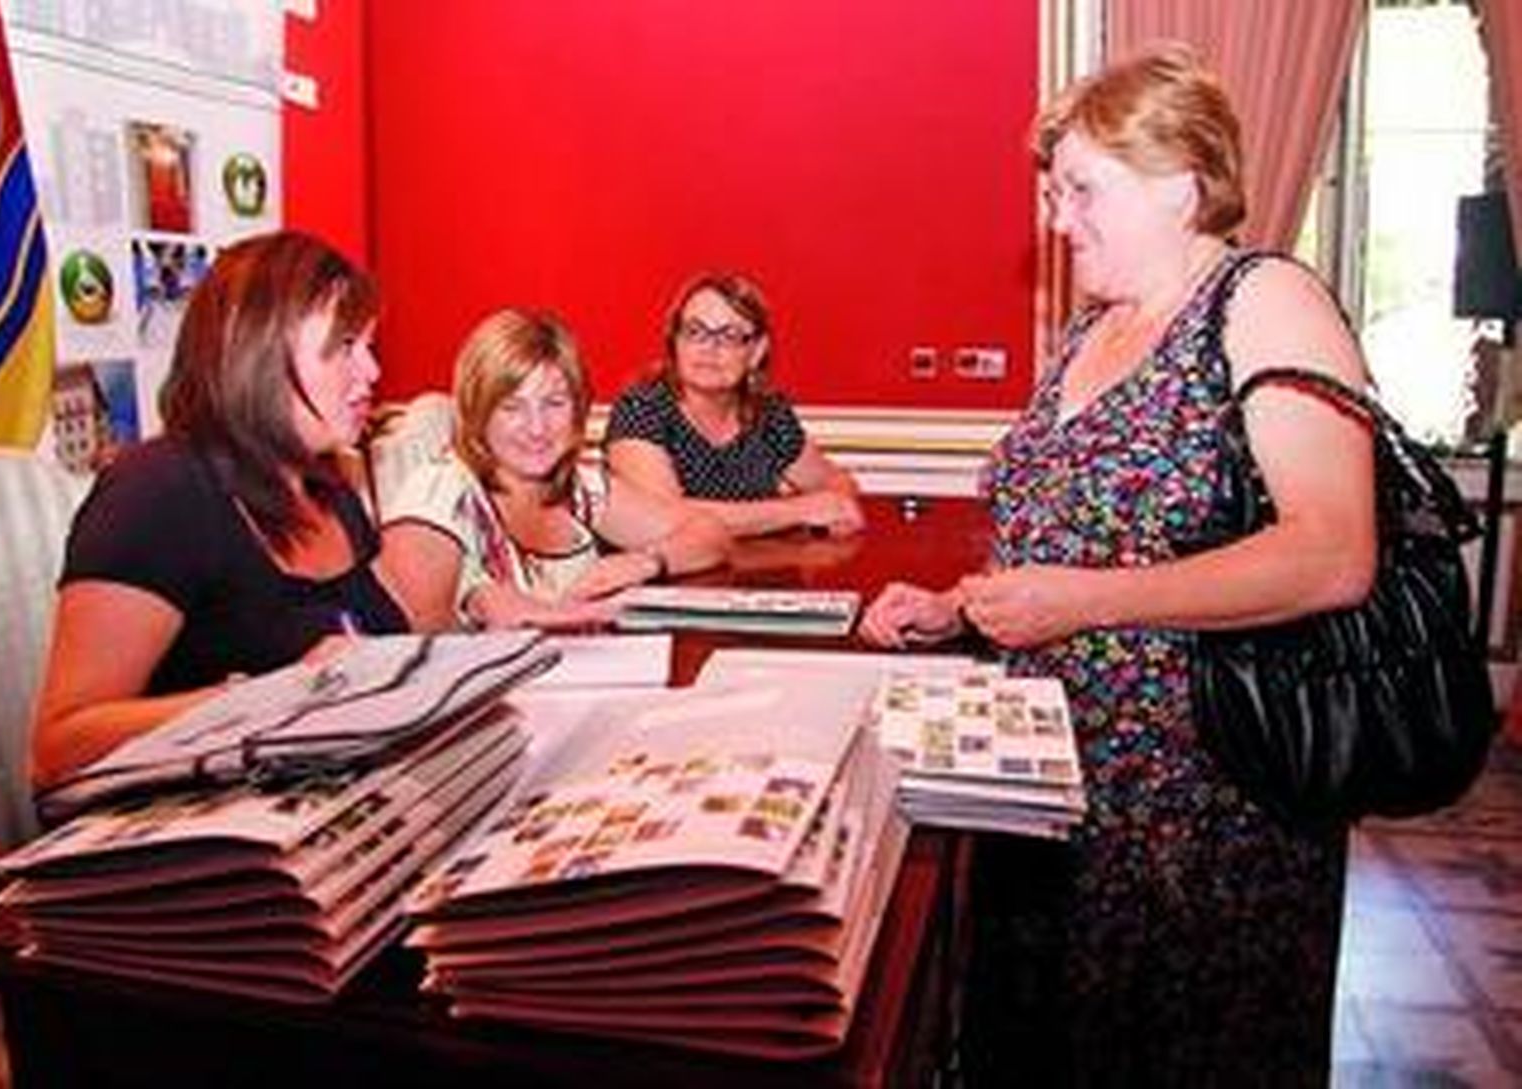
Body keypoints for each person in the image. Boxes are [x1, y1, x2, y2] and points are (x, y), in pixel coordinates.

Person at [860, 44, 1376, 1087]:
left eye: (1080, 190)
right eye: (1053, 194)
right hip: (1052, 795)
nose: (1057, 219)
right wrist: (959, 607)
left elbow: (1332, 553)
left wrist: (1080, 602)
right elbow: (1067, 547)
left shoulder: (1265, 299)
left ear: (1181, 183)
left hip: (1197, 818)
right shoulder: (1090, 332)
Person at [32, 231, 409, 790]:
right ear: (257, 351)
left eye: (369, 346)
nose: (372, 371)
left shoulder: (330, 485)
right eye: (345, 345)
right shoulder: (157, 491)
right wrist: (267, 699)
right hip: (194, 824)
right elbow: (56, 751)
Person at [380, 308, 728, 630]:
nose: (537, 428)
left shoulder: (578, 486)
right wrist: (482, 618)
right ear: (478, 412)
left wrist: (644, 562)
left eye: (554, 403)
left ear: (579, 407)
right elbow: (409, 652)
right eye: (511, 407)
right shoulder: (437, 495)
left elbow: (710, 534)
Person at [603, 273, 864, 537]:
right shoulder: (642, 408)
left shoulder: (768, 412)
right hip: (664, 564)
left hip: (760, 562)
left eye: (730, 335)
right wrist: (799, 510)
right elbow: (668, 517)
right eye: (694, 332)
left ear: (757, 351)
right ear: (675, 342)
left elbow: (836, 481)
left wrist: (837, 506)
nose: (709, 348)